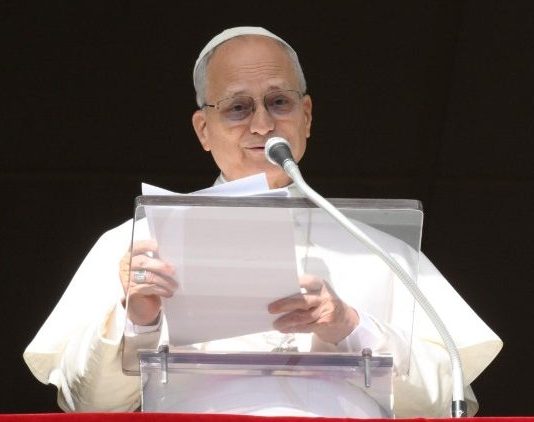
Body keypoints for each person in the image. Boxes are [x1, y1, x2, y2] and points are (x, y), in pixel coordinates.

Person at [24, 27, 502, 417]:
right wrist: (137, 320)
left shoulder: (377, 246)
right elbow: (86, 403)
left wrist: (350, 327)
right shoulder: (138, 241)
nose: (262, 125)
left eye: (279, 102)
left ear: (306, 116)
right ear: (203, 130)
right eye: (238, 108)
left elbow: (448, 401)